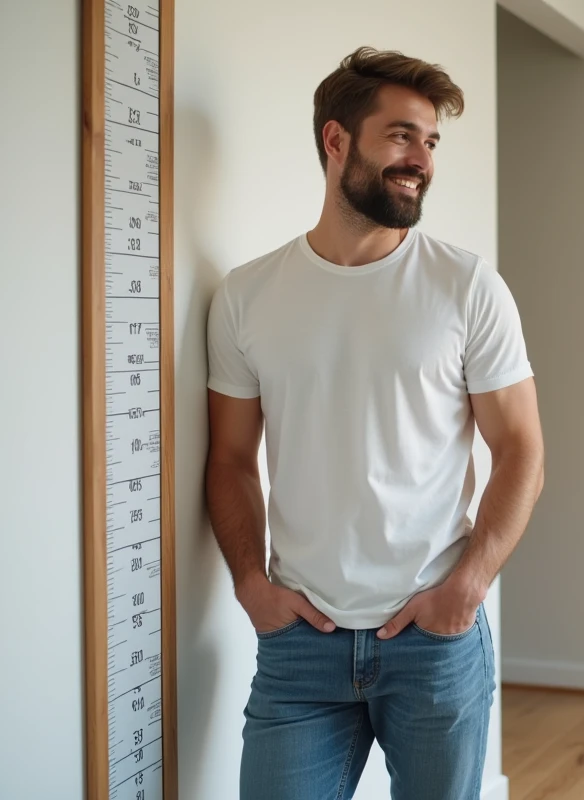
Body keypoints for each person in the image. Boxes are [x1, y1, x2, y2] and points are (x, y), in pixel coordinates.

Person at [204, 46, 545, 799]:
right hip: (300, 646)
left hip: (434, 637)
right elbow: (230, 458)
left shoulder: (466, 286)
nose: (419, 158)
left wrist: (469, 585)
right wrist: (251, 585)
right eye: (400, 136)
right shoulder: (246, 296)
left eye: (429, 142)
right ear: (336, 141)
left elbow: (520, 447)